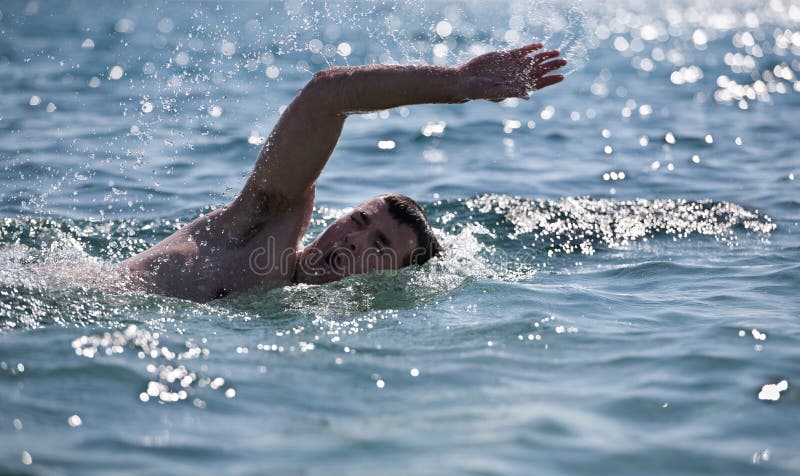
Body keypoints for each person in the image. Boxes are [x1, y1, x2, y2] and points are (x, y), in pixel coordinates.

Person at [119, 43, 567, 301]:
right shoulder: (264, 227)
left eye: (379, 245)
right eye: (359, 220)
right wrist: (455, 83)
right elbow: (326, 94)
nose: (354, 239)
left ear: (391, 277)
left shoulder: (307, 321)